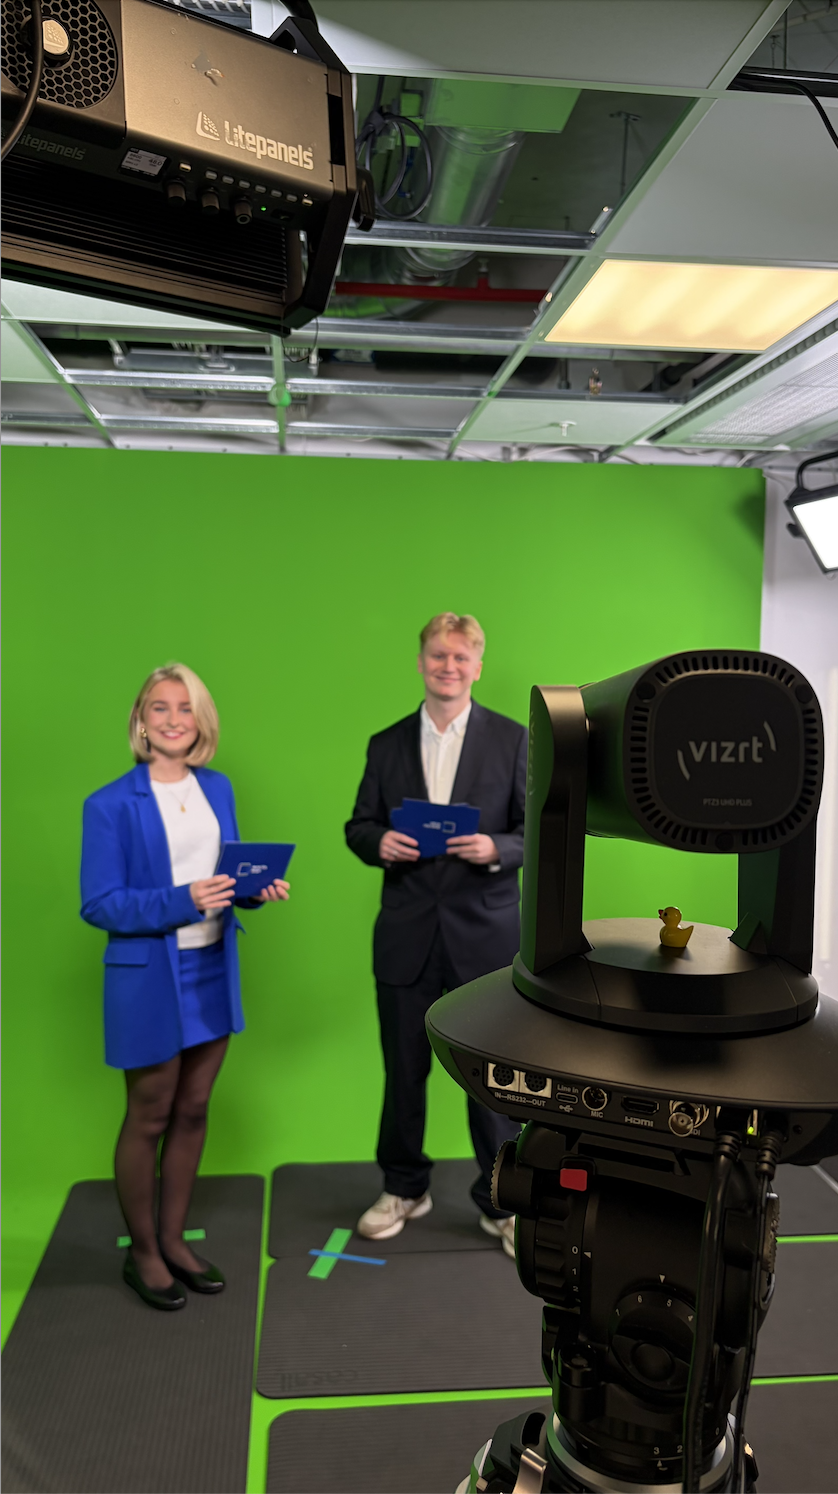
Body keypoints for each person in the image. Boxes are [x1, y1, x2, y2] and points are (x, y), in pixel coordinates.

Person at [80, 664, 290, 1312]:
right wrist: (184, 899)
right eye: (160, 708)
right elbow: (100, 903)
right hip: (148, 978)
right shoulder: (109, 803)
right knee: (149, 1116)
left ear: (201, 721)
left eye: (185, 708)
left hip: (212, 970)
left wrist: (252, 890)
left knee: (194, 1109)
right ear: (141, 721)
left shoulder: (216, 787)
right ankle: (143, 1251)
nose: (173, 719)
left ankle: (174, 1240)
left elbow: (224, 874)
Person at [345, 612, 526, 1255]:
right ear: (421, 662)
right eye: (437, 655)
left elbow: (537, 831)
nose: (448, 666)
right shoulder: (386, 744)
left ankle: (503, 1203)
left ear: (477, 666)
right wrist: (379, 843)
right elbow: (358, 826)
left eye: (460, 657)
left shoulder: (514, 740)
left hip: (486, 939)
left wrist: (497, 848)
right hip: (407, 937)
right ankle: (403, 1187)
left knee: (495, 1082)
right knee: (403, 1073)